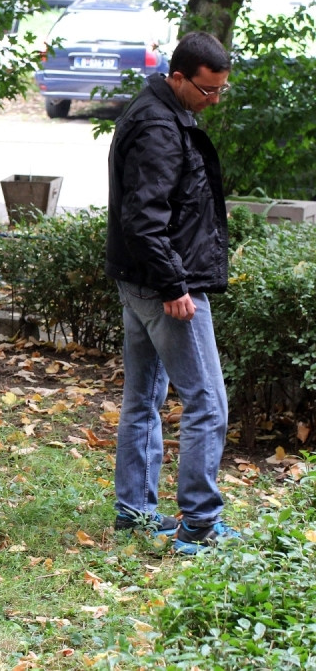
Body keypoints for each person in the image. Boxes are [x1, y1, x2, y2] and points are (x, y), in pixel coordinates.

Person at [105, 31, 239, 555]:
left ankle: (136, 511)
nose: (215, 100)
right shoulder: (160, 127)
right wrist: (174, 284)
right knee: (208, 403)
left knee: (143, 398)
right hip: (166, 287)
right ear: (178, 77)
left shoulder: (156, 110)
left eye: (221, 89)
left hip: (143, 280)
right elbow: (144, 219)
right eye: (208, 90)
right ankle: (199, 525)